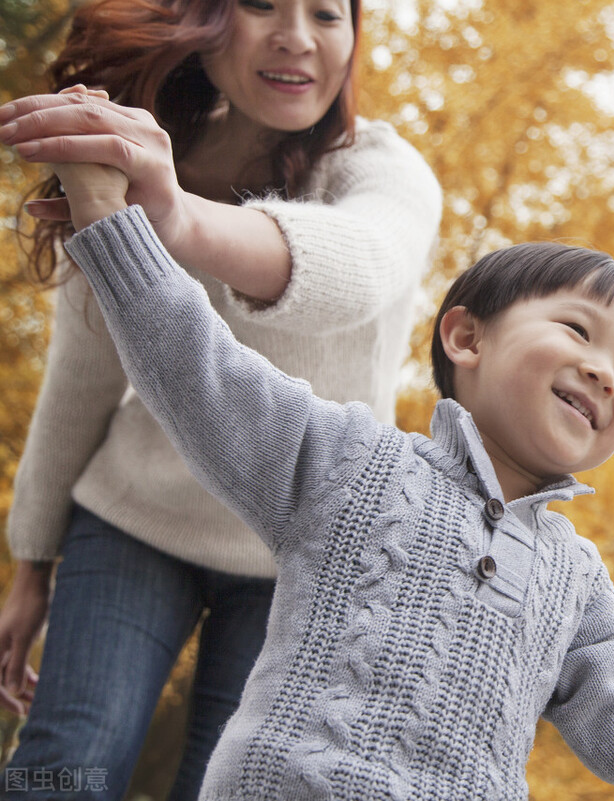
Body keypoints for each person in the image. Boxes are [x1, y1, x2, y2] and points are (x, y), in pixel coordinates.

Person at [35, 149, 614, 797]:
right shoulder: (353, 463)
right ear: (465, 339)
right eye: (578, 330)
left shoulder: (577, 580)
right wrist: (107, 212)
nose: (606, 373)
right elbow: (198, 369)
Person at [0, 0, 441, 792]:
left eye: (328, 14)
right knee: (66, 764)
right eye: (263, 5)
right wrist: (30, 561)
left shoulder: (383, 172)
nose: (298, 38)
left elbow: (359, 269)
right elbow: (84, 372)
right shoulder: (137, 158)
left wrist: (169, 216)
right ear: (206, 26)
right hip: (137, 519)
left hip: (301, 557)